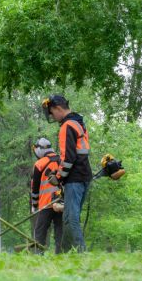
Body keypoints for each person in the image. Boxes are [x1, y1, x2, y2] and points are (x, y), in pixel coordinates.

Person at [42, 95, 91, 253]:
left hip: (75, 179)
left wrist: (58, 177)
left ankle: (80, 253)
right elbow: (76, 155)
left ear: (58, 108)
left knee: (70, 219)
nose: (52, 116)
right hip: (83, 175)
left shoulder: (66, 126)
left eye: (52, 113)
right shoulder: (78, 123)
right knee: (69, 217)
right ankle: (64, 253)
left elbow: (68, 158)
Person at [30, 138, 63, 254]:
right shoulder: (61, 160)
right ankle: (61, 254)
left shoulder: (39, 164)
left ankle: (39, 255)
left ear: (40, 149)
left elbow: (34, 188)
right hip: (61, 202)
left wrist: (34, 205)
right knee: (60, 230)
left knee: (40, 232)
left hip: (46, 205)